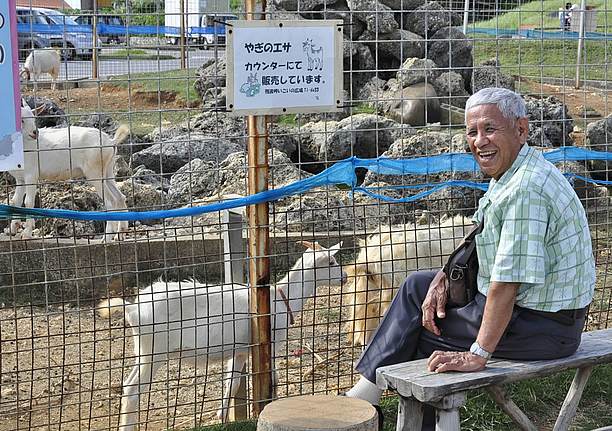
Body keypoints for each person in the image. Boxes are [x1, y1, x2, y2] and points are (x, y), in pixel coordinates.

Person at [344, 87, 595, 429]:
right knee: (418, 285)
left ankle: (370, 407)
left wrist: (477, 355)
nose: (479, 141)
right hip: (543, 316)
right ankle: (366, 397)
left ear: (521, 129)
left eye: (489, 129)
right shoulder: (515, 171)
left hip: (543, 327)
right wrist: (444, 276)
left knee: (422, 333)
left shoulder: (525, 191)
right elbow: (481, 235)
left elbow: (506, 284)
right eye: (472, 131)